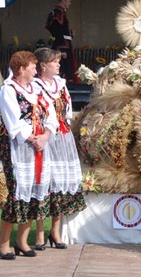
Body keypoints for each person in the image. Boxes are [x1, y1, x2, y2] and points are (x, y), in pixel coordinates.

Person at [0, 51, 58, 259]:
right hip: (17, 147)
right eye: (32, 66)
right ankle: (3, 244)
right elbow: (13, 120)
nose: (35, 69)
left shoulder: (37, 89)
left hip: (40, 145)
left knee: (34, 191)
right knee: (17, 192)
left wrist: (46, 135)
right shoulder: (8, 90)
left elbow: (51, 114)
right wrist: (33, 138)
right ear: (21, 69)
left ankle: (22, 241)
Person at [33, 48, 86, 250]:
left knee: (60, 181)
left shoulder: (61, 85)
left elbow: (68, 110)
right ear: (43, 65)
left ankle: (55, 231)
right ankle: (39, 232)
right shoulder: (35, 86)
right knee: (44, 183)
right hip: (45, 138)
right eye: (54, 62)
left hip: (62, 136)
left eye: (57, 61)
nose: (58, 64)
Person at [45, 0, 77, 83]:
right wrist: (62, 49)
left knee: (68, 68)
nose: (70, 4)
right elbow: (57, 31)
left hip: (65, 44)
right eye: (69, 1)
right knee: (63, 68)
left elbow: (61, 30)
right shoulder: (57, 13)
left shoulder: (61, 12)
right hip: (62, 46)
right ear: (63, 0)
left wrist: (70, 34)